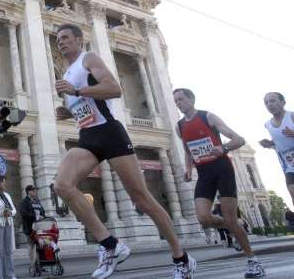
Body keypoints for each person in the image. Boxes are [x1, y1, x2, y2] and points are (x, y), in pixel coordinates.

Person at [53, 23, 195, 279]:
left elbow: (114, 89)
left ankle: (181, 258)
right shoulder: (67, 72)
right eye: (57, 39)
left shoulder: (89, 59)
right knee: (62, 185)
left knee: (142, 199)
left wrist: (76, 91)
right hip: (87, 137)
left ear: (79, 39)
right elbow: (88, 105)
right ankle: (110, 244)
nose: (60, 42)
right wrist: (69, 111)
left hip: (110, 134)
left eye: (65, 37)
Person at [174, 88, 264, 278]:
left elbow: (239, 139)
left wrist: (223, 148)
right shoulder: (179, 126)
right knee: (204, 219)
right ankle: (236, 224)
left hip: (223, 170)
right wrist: (188, 169)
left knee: (229, 218)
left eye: (181, 99)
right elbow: (187, 150)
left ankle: (254, 262)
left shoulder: (208, 117)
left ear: (191, 99)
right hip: (204, 174)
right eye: (176, 101)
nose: (178, 103)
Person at [260, 92, 294, 206]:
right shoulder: (267, 125)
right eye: (266, 102)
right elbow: (279, 141)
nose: (269, 104)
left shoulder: (291, 116)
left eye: (272, 100)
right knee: (292, 190)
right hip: (288, 164)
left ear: (283, 102)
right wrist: (270, 143)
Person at [19, 185, 46, 267]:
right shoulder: (24, 202)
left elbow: (42, 211)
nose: (35, 191)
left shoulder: (37, 201)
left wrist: (43, 216)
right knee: (31, 245)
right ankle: (33, 264)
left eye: (35, 190)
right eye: (33, 190)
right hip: (29, 227)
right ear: (29, 192)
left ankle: (40, 263)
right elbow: (24, 214)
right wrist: (36, 216)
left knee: (40, 244)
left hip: (39, 227)